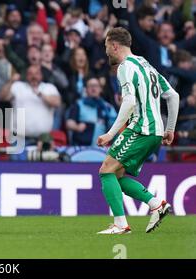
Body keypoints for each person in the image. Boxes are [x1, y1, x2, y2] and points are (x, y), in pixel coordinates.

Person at [96, 27, 179, 234]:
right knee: (116, 175)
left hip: (141, 128)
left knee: (106, 170)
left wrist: (110, 134)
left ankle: (121, 224)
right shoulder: (145, 64)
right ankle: (156, 204)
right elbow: (173, 95)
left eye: (106, 46)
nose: (106, 51)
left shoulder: (125, 67)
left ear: (114, 45)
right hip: (156, 131)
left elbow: (130, 102)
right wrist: (170, 129)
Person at [66, 77, 117, 146]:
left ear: (100, 89)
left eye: (96, 86)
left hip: (100, 149)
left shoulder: (107, 107)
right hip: (80, 149)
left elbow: (116, 125)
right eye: (90, 86)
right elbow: (69, 123)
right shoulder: (79, 104)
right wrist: (77, 127)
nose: (93, 88)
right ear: (86, 89)